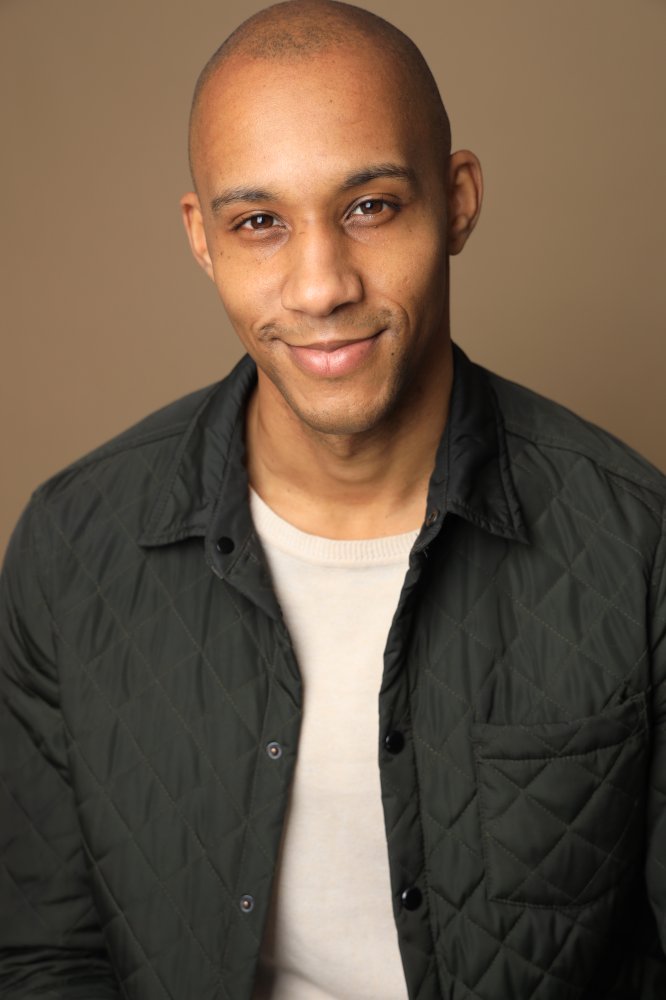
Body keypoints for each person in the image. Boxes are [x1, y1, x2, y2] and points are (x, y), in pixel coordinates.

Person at [1, 1, 665, 997]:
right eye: (259, 223)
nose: (320, 287)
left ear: (458, 201)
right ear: (203, 239)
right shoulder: (71, 550)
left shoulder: (638, 548)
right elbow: (43, 958)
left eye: (370, 207)